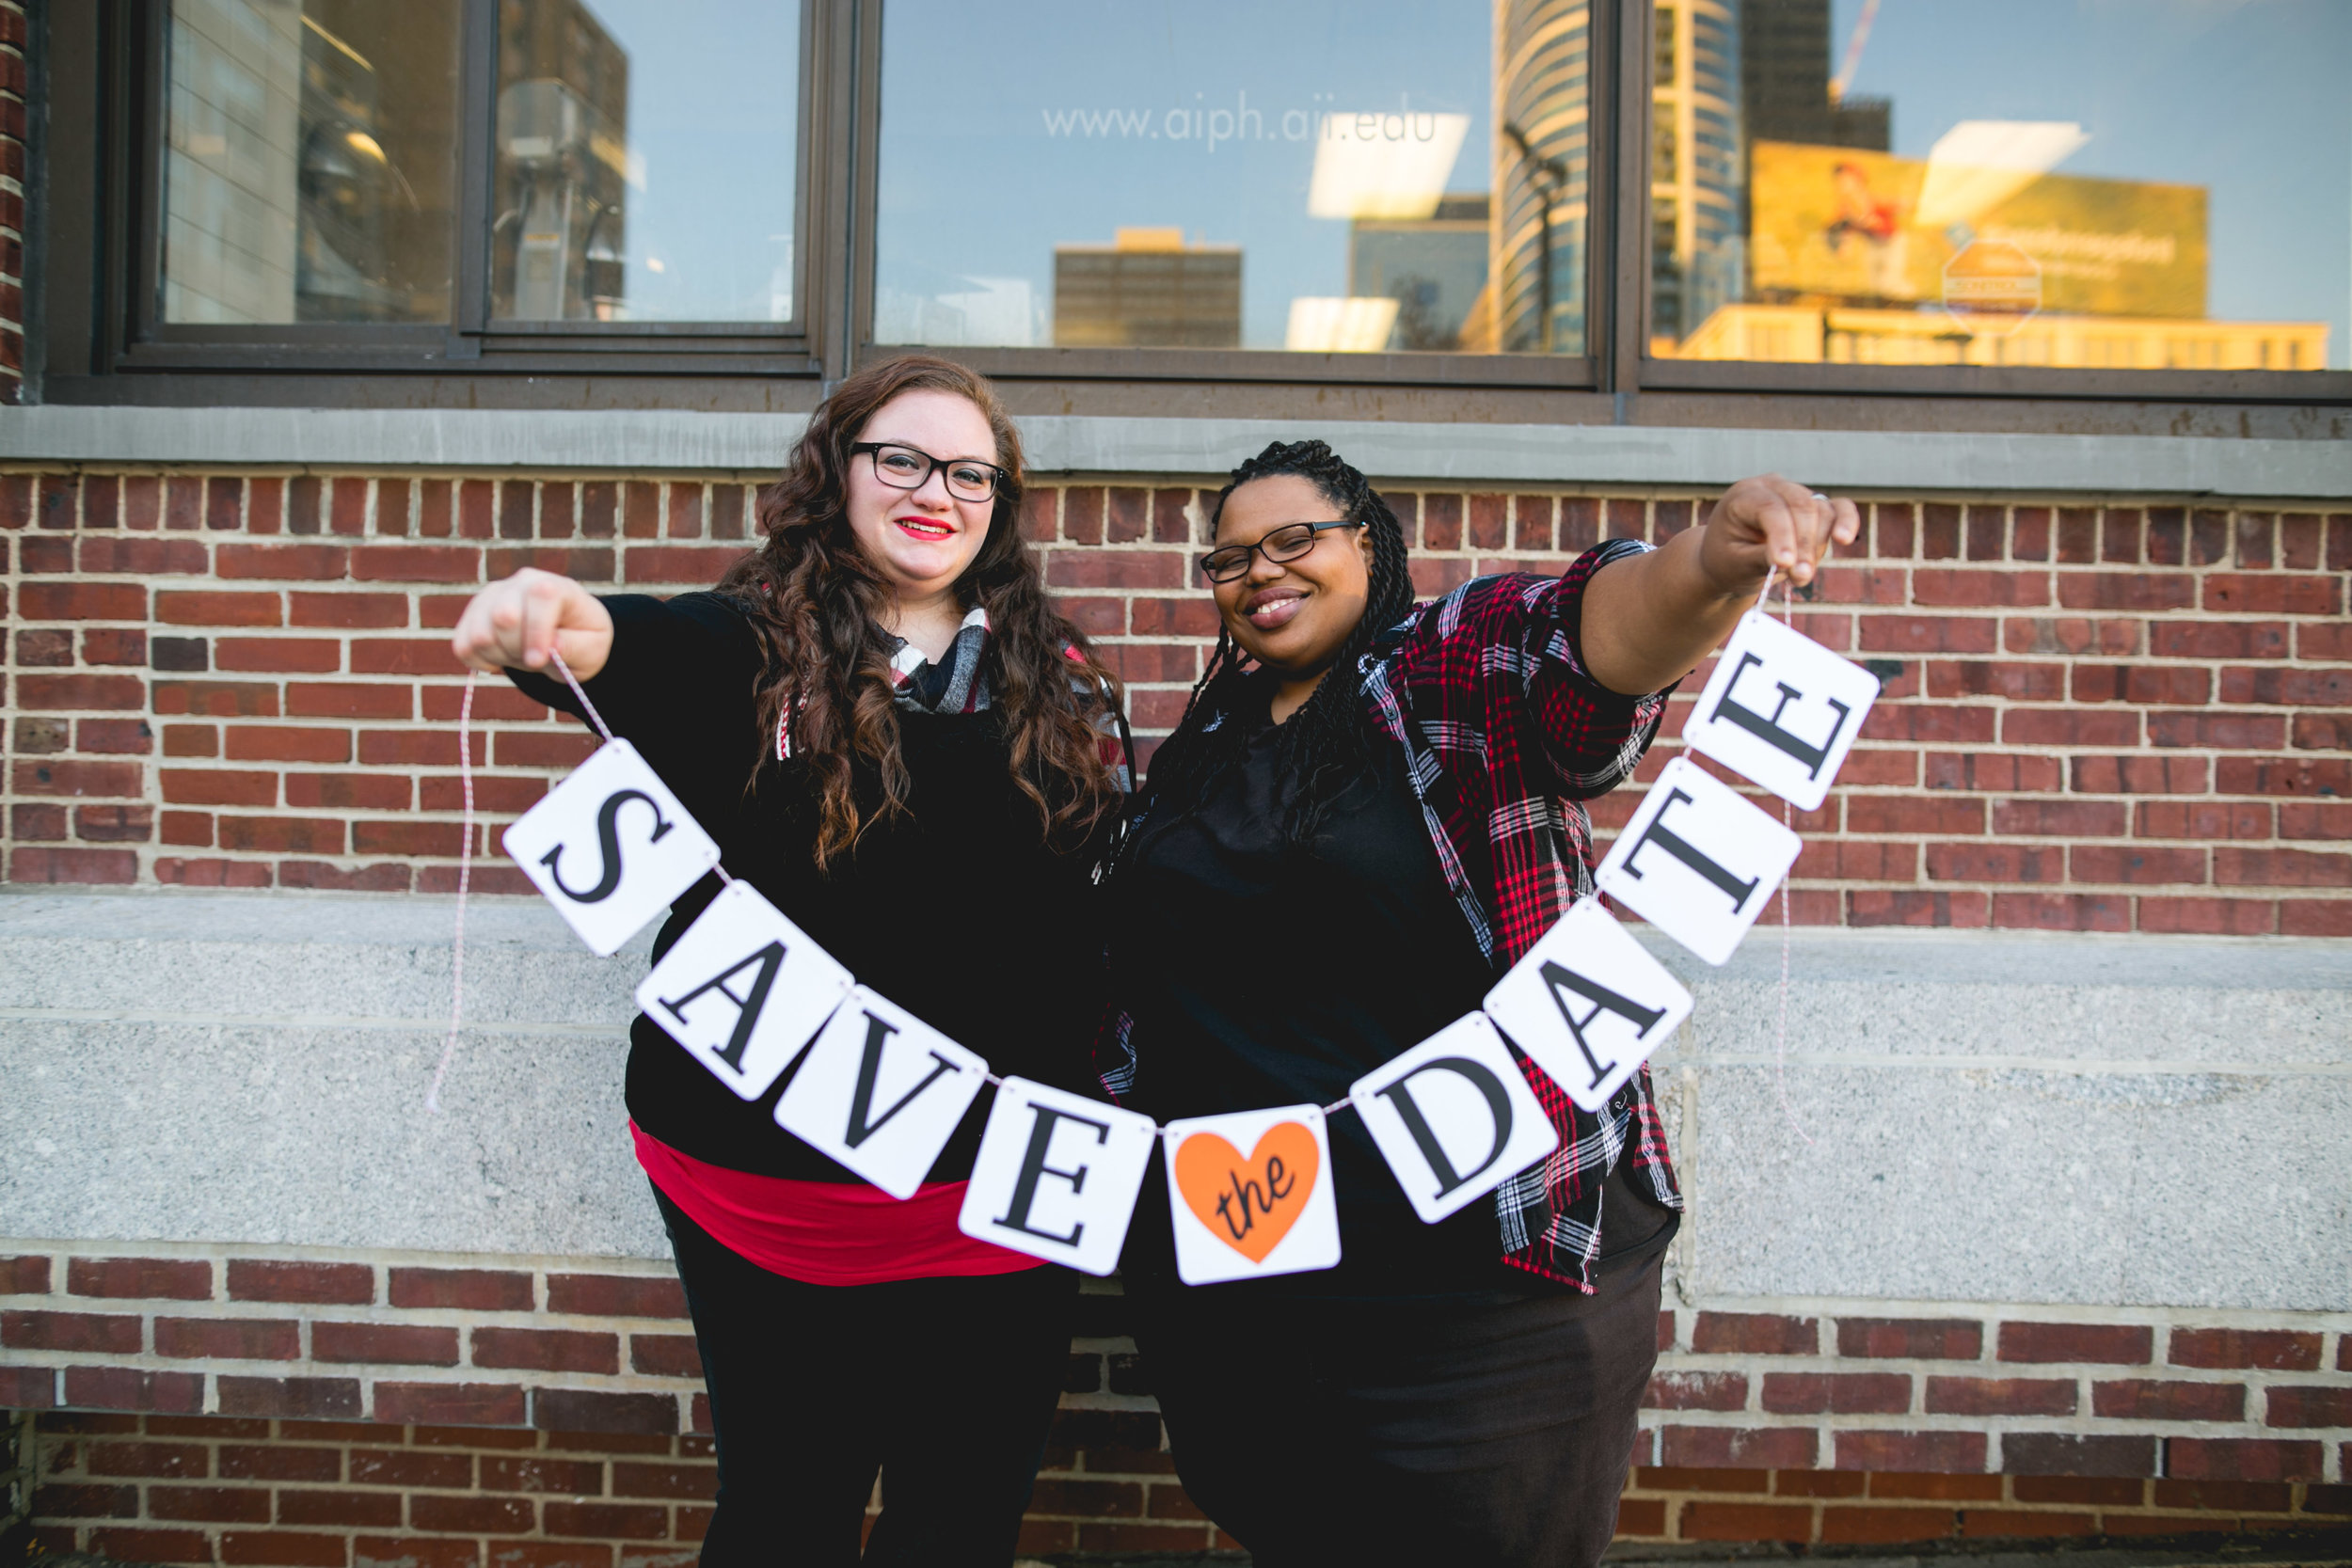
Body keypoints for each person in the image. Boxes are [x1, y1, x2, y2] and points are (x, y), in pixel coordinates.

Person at [1103, 439, 1858, 1568]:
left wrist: (1706, 562)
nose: (1260, 569)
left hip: (1473, 1287)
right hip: (1249, 1266)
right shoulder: (1205, 741)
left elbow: (1594, 639)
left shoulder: (1446, 666)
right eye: (1229, 558)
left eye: (1295, 538)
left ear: (1373, 542)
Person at [450, 356, 1128, 1566]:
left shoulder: (1056, 673)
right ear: (840, 469)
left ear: (1001, 499)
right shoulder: (756, 639)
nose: (938, 490)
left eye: (971, 471)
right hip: (767, 1182)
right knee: (788, 1509)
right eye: (902, 458)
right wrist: (553, 625)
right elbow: (639, 649)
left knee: (960, 1517)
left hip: (998, 1190)